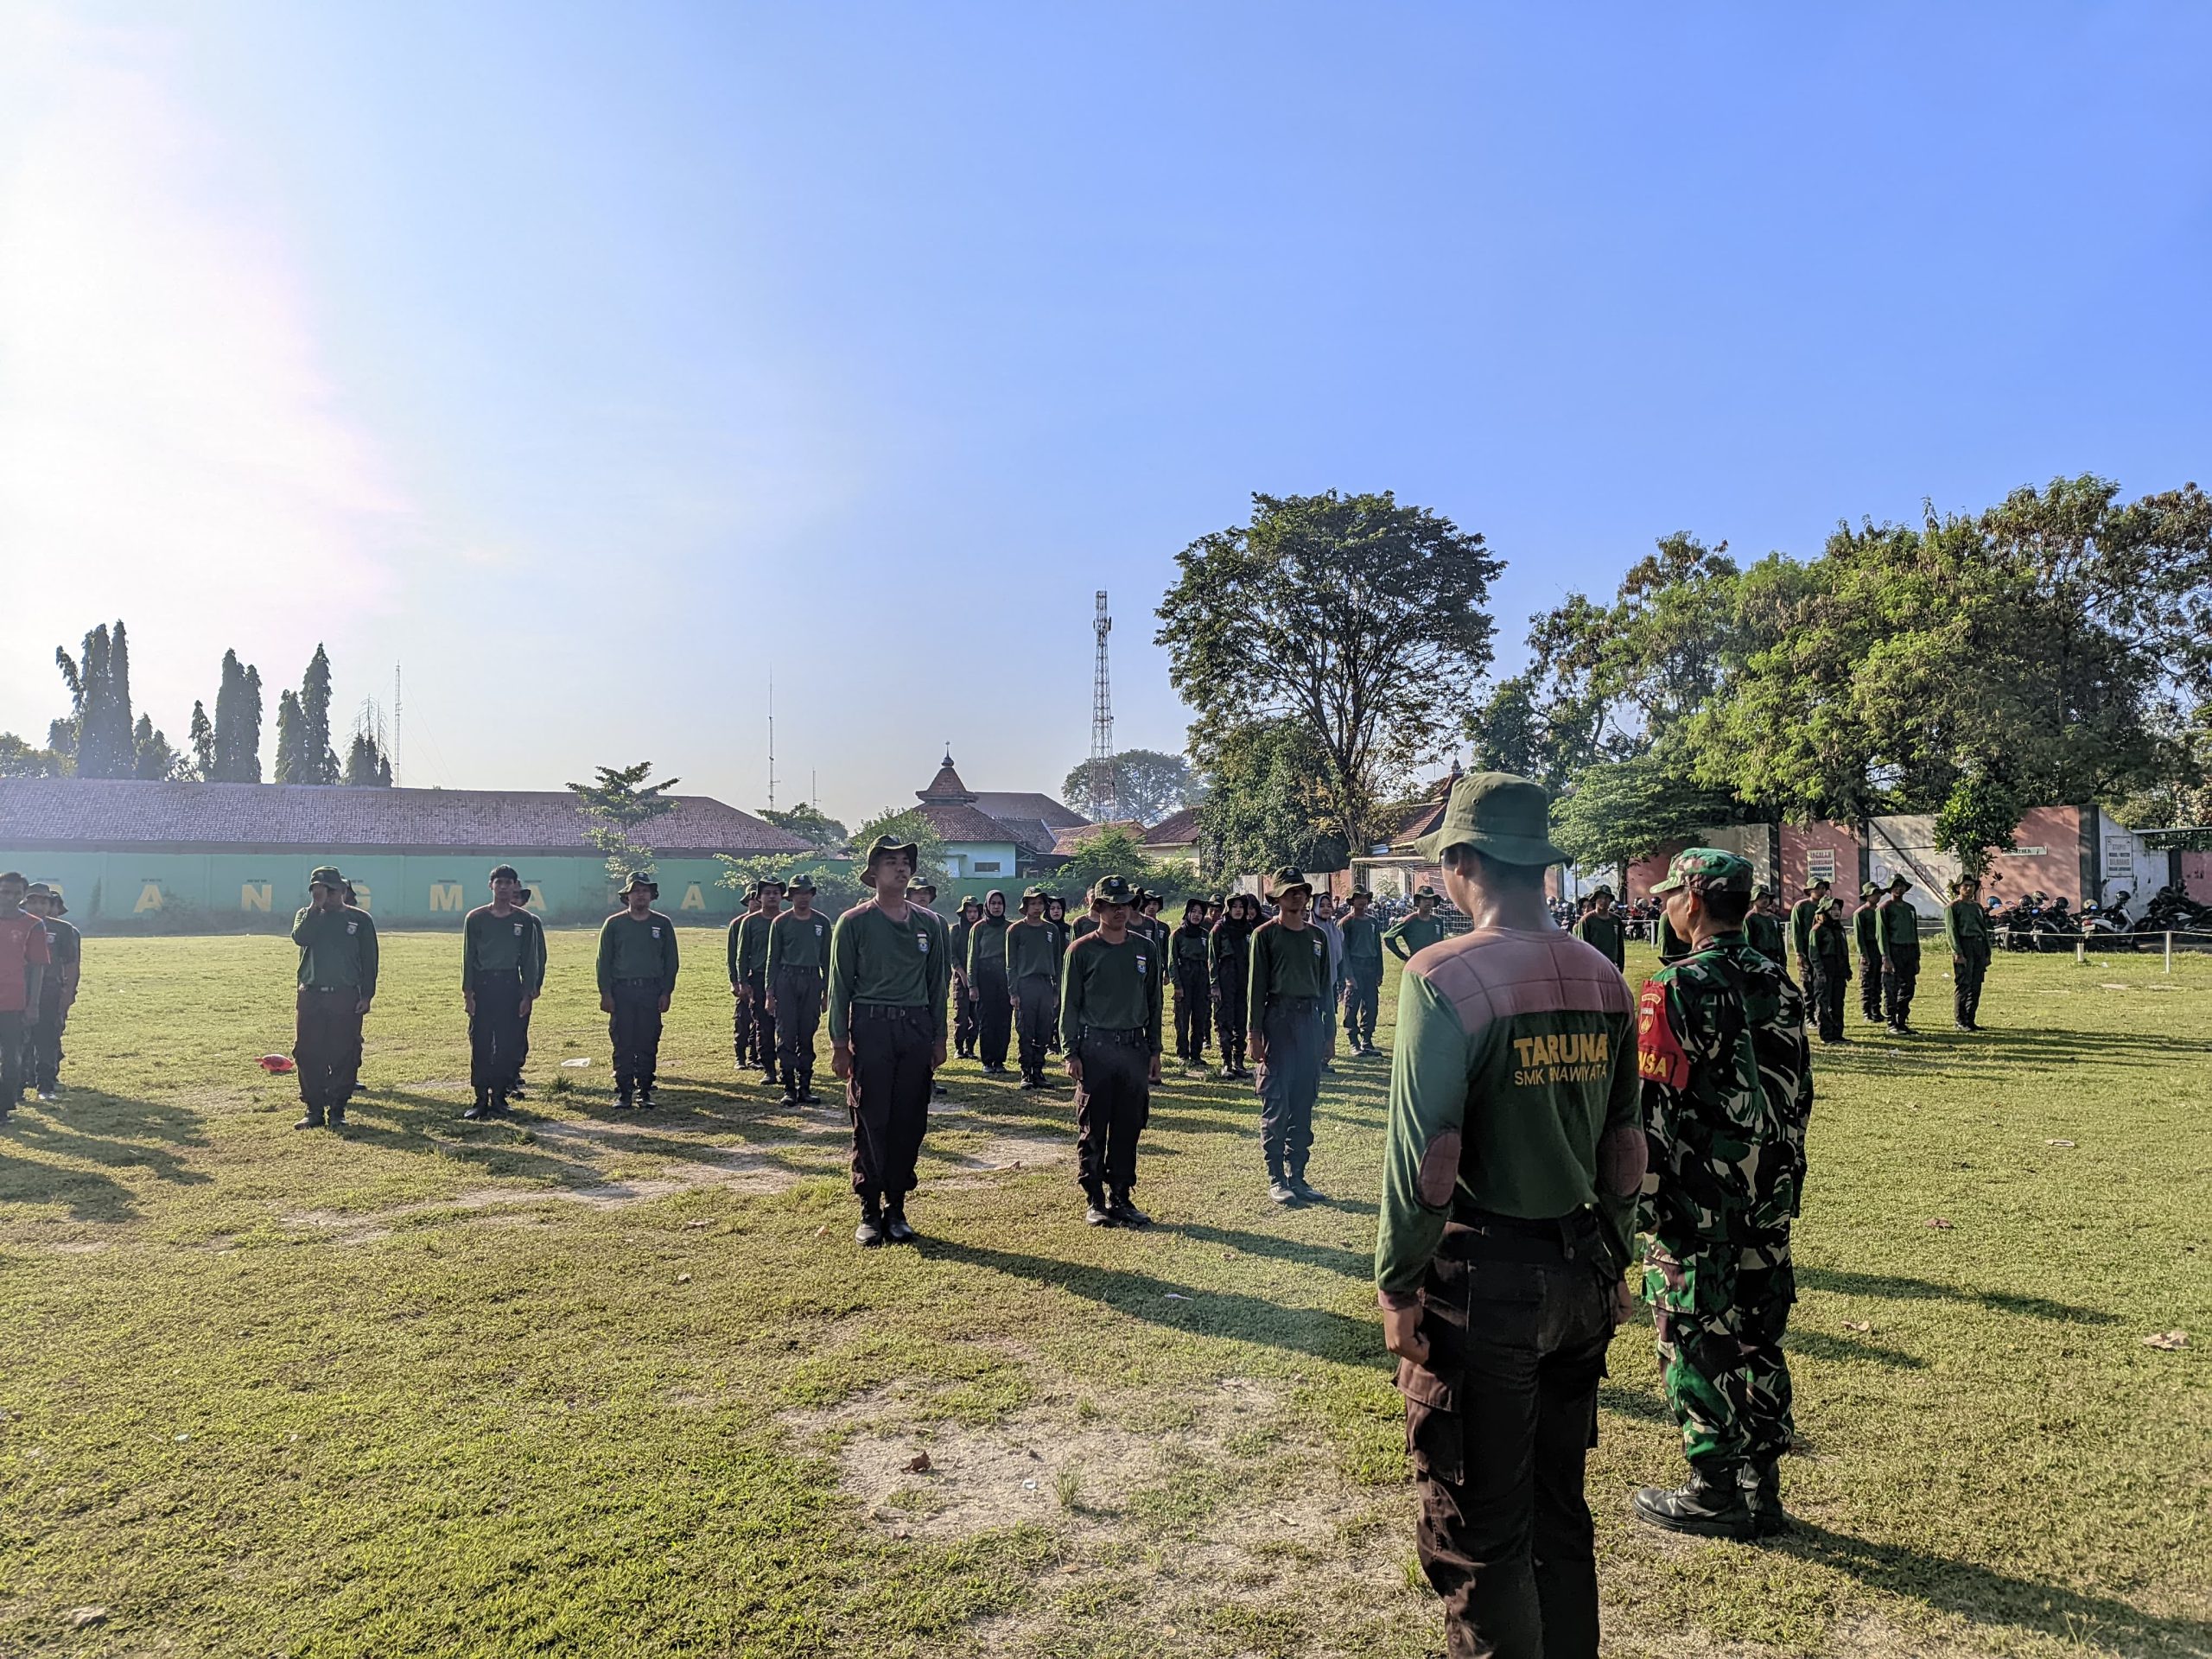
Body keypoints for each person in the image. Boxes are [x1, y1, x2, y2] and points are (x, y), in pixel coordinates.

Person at [1376, 772, 1644, 1659]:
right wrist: (1616, 1259)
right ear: (1543, 866)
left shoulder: (1441, 974)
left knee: (1477, 1532)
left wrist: (1396, 1283)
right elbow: (1623, 1148)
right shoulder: (1603, 975)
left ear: (1459, 863)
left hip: (1482, 1283)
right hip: (1580, 1273)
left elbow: (1426, 1157)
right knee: (1557, 1517)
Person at [1633, 848, 1813, 1541]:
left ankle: (1714, 1489)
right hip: (1769, 1195)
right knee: (1759, 1337)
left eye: (1671, 894)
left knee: (1693, 1336)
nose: (1665, 905)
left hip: (1696, 1204)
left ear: (1695, 902)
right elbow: (1800, 1099)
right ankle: (1761, 1489)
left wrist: (1639, 1213)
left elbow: (1652, 1114)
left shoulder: (1674, 989)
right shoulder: (1781, 982)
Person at [828, 836, 950, 1247]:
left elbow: (937, 986)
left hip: (914, 1028)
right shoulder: (855, 921)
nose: (900, 868)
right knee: (871, 1117)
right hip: (871, 1026)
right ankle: (869, 1207)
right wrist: (839, 1044)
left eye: (905, 862)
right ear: (873, 873)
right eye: (890, 862)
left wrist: (939, 1037)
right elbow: (840, 987)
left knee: (909, 1118)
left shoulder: (930, 924)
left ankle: (896, 1207)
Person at [1060, 874, 1164, 1226]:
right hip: (1096, 1048)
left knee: (1129, 1125)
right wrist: (1070, 1052)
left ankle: (1121, 1196)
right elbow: (1069, 1005)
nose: (1120, 911)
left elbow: (1154, 999)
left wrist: (1155, 1049)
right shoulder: (1081, 949)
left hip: (1133, 1047)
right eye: (1112, 905)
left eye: (1125, 904)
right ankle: (1094, 1199)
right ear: (1097, 907)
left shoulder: (1145, 948)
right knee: (1093, 1125)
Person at [1249, 867, 1333, 1205]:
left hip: (1310, 1023)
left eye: (1301, 890)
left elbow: (1327, 987)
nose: (1297, 896)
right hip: (1278, 1023)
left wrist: (1329, 1034)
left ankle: (1298, 1175)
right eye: (1289, 891)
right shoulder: (1266, 935)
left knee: (1303, 1101)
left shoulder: (1317, 936)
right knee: (1277, 1101)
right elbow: (1256, 989)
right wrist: (1254, 1034)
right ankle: (1276, 1177)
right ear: (1277, 898)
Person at [289, 866, 376, 1130]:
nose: (327, 896)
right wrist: (316, 907)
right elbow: (301, 938)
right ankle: (314, 1108)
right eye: (319, 890)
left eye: (331, 890)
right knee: (307, 1051)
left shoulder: (360, 920)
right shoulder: (306, 916)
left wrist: (367, 994)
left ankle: (338, 1109)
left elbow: (370, 960)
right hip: (312, 994)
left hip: (345, 995)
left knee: (344, 1051)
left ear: (342, 891)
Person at [460, 864, 545, 1120]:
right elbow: (468, 956)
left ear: (515, 886)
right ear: (491, 886)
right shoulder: (476, 918)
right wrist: (468, 993)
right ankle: (480, 1098)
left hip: (510, 984)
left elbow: (530, 959)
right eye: (499, 883)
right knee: (481, 1043)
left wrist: (528, 993)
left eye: (509, 883)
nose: (504, 887)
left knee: (507, 1044)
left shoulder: (524, 920)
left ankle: (499, 1097)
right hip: (484, 985)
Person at [598, 871, 679, 1109]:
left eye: (645, 891)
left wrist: (666, 992)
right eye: (636, 891)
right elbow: (603, 961)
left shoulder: (662, 924)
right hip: (622, 991)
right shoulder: (614, 924)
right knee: (622, 1041)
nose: (641, 895)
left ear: (652, 895)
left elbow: (671, 961)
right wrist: (606, 993)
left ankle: (645, 1091)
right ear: (627, 896)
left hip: (650, 991)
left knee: (648, 1040)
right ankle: (624, 1092)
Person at [766, 873, 833, 1103]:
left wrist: (826, 992)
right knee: (786, 1034)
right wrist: (769, 993)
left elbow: (827, 959)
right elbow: (773, 958)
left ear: (811, 895)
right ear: (791, 896)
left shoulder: (822, 922)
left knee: (807, 1033)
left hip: (812, 979)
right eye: (798, 894)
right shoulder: (781, 922)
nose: (803, 898)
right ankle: (788, 1088)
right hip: (786, 978)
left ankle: (805, 1086)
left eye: (806, 893)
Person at [0, 872, 52, 1116]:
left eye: (15, 893)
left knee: (12, 1059)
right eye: (5, 892)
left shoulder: (33, 924)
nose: (9, 897)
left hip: (14, 1002)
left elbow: (38, 966)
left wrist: (33, 1005)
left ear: (22, 896)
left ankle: (5, 1105)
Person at [22, 885, 79, 1103]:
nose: (38, 906)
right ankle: (17, 1086)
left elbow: (70, 963)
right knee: (18, 1040)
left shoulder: (63, 929)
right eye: (33, 902)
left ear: (50, 905)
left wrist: (68, 992)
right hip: (19, 989)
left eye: (43, 902)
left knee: (47, 1038)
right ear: (24, 903)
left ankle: (46, 1085)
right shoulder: (12, 925)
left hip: (50, 990)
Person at [1004, 885, 1063, 1089]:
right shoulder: (1016, 930)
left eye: (1040, 903)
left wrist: (1056, 991)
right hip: (1025, 985)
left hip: (1045, 985)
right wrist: (1013, 992)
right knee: (1025, 1030)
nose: (1037, 908)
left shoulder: (1051, 930)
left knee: (1044, 1029)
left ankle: (1039, 1071)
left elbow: (1058, 961)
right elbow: (1011, 963)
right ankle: (1026, 1072)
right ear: (1025, 906)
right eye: (1033, 904)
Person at [734, 878, 785, 1085]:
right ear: (759, 897)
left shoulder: (787, 919)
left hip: (784, 978)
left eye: (776, 892)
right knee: (763, 1025)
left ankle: (787, 1068)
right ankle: (769, 1069)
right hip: (758, 978)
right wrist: (741, 982)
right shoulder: (750, 922)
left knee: (786, 1026)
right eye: (767, 893)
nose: (772, 896)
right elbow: (742, 953)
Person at [966, 889, 1014, 1075]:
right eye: (993, 903)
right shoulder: (979, 928)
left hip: (1005, 977)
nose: (996, 907)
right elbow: (972, 958)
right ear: (987, 905)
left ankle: (1000, 1061)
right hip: (985, 977)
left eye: (999, 903)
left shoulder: (1010, 928)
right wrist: (972, 984)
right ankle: (987, 1061)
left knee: (1004, 1020)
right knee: (986, 1021)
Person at [1211, 893, 1255, 1080]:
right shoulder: (1219, 929)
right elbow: (1212, 960)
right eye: (1234, 906)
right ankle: (1226, 1062)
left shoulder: (1248, 929)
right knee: (1224, 1020)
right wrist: (1214, 986)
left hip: (1243, 978)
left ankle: (1239, 1062)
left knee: (1241, 1020)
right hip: (1225, 977)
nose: (1238, 910)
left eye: (1241, 906)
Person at [1339, 888, 1386, 1058]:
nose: (1362, 901)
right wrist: (1348, 975)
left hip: (1370, 967)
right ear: (1351, 901)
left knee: (1371, 1006)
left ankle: (1367, 1040)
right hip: (1355, 967)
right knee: (1352, 1005)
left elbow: (1377, 947)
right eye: (1357, 898)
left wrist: (1379, 971)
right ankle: (1354, 1042)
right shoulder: (1346, 922)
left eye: (1365, 898)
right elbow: (1343, 951)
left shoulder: (1372, 921)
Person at [1943, 874, 1993, 1032]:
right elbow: (1951, 932)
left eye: (1972, 886)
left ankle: (1971, 1020)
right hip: (1964, 945)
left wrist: (1987, 952)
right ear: (1958, 888)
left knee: (1976, 985)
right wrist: (1957, 953)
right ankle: (1960, 1020)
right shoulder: (1953, 907)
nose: (1969, 888)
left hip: (1978, 945)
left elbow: (1983, 930)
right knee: (1963, 984)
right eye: (1965, 886)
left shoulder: (1977, 907)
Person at [1170, 897, 1213, 1070]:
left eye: (1200, 913)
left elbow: (1211, 960)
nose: (1196, 915)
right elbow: (1172, 961)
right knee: (1182, 1018)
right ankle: (1182, 1053)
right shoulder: (1178, 934)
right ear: (1187, 913)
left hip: (1201, 978)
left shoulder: (1205, 935)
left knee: (1200, 1016)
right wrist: (1177, 985)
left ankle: (1196, 1054)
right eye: (1193, 912)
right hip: (1185, 976)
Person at [1804, 896, 1851, 1044]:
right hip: (1824, 969)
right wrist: (1820, 972)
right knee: (1823, 1003)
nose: (1837, 912)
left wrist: (1847, 969)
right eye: (1833, 909)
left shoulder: (1839, 928)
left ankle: (1838, 1034)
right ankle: (1827, 1035)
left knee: (1838, 1002)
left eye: (1838, 909)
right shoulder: (1817, 929)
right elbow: (1814, 953)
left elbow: (1845, 950)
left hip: (1839, 970)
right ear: (1825, 911)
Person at [1878, 874, 1921, 1034]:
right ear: (1890, 888)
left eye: (1902, 885)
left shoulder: (1910, 909)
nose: (1899, 888)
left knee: (1908, 987)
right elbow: (1881, 935)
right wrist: (1886, 957)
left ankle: (1902, 1020)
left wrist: (1917, 957)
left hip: (1909, 951)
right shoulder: (1884, 908)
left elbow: (1914, 933)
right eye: (1895, 885)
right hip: (1893, 950)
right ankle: (1891, 1022)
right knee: (1891, 988)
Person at [728, 885, 763, 1071]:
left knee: (762, 1021)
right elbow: (732, 956)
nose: (756, 902)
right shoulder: (738, 923)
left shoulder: (770, 921)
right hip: (745, 978)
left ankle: (755, 1056)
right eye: (753, 899)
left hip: (762, 978)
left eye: (759, 898)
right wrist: (735, 981)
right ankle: (739, 1057)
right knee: (742, 1019)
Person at [1312, 888, 1348, 1070]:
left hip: (1330, 984)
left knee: (1328, 1021)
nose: (1326, 908)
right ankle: (1314, 1059)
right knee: (1315, 1021)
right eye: (1322, 905)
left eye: (1329, 905)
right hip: (1314, 984)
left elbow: (1340, 958)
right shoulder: (1310, 930)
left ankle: (1323, 1059)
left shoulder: (1335, 930)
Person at [950, 896, 983, 1060]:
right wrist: (962, 974)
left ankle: (971, 1048)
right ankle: (959, 1048)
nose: (972, 915)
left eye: (975, 911)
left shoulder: (982, 929)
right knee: (961, 1015)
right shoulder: (956, 930)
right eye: (969, 911)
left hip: (979, 979)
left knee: (976, 1017)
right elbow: (952, 955)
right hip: (960, 980)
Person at [1385, 886, 1450, 961]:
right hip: (1418, 962)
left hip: (1436, 962)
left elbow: (1440, 943)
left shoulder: (1438, 921)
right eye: (1425, 899)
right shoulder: (1409, 920)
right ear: (1418, 901)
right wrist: (1404, 957)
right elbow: (1388, 937)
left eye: (1430, 898)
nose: (1428, 901)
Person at [1852, 882, 1885, 1025]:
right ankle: (1867, 1012)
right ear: (1867, 896)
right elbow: (1859, 937)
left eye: (1878, 893)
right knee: (1867, 982)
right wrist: (1863, 954)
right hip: (1868, 947)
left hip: (1879, 948)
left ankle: (1876, 1010)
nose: (1877, 896)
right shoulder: (1860, 913)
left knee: (1879, 982)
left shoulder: (1880, 911)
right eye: (1873, 893)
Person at [1573, 885, 1626, 973]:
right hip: (1593, 966)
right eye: (1600, 898)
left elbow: (1620, 945)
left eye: (1607, 898)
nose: (1604, 901)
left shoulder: (1616, 920)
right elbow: (1583, 948)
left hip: (1612, 965)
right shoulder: (1586, 920)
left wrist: (1620, 966)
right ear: (1595, 900)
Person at [1043, 893, 1071, 1053]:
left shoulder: (1068, 929)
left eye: (1059, 908)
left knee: (1063, 1009)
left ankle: (1061, 1040)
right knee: (1049, 1009)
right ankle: (1049, 1043)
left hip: (1065, 973)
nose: (1056, 911)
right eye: (1052, 908)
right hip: (1049, 973)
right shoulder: (1044, 929)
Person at [1745, 887, 1788, 966]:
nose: (1764, 900)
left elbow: (1780, 942)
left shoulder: (1774, 918)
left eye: (1766, 897)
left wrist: (1783, 961)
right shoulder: (1750, 918)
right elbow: (1748, 942)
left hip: (1775, 958)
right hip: (1759, 959)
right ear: (1754, 899)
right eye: (1761, 897)